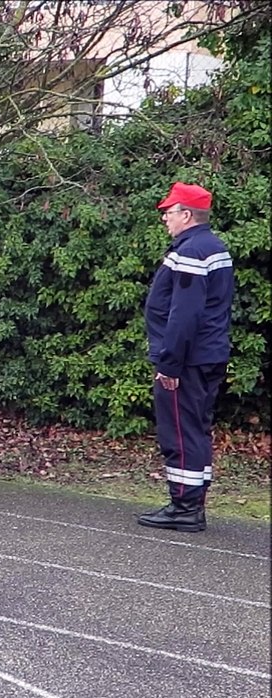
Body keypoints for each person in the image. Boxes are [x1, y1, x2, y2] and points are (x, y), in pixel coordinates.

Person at [137, 182, 235, 533]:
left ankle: (184, 506)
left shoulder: (192, 251)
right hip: (208, 354)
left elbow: (184, 314)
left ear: (187, 215)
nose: (165, 217)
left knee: (179, 431)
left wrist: (169, 364)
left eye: (170, 211)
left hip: (188, 359)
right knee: (196, 429)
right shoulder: (213, 247)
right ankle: (192, 501)